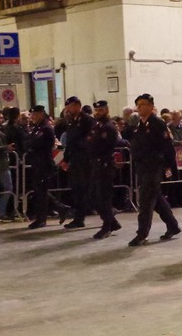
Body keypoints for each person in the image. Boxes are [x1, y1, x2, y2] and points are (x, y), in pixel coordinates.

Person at [124, 93, 181, 246]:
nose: (140, 107)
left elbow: (167, 146)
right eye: (138, 105)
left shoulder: (157, 123)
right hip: (142, 167)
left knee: (146, 201)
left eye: (143, 104)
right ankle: (173, 226)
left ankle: (142, 234)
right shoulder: (140, 124)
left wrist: (168, 167)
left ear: (150, 106)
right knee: (156, 200)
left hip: (153, 166)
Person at [55, 96, 96, 228]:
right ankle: (79, 218)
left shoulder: (87, 120)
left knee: (86, 190)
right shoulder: (72, 121)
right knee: (77, 190)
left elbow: (89, 139)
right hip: (75, 160)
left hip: (85, 160)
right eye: (67, 107)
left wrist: (80, 147)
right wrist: (65, 159)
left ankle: (108, 216)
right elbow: (70, 143)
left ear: (78, 106)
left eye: (71, 107)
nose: (68, 110)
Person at [88, 100, 123, 239]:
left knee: (103, 197)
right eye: (96, 110)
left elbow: (104, 146)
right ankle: (112, 222)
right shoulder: (97, 126)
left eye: (101, 110)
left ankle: (107, 226)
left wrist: (92, 146)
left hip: (105, 164)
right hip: (96, 164)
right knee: (94, 196)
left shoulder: (109, 127)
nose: (97, 113)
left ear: (107, 110)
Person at [23, 106, 56, 229]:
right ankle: (60, 208)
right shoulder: (37, 128)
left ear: (41, 114)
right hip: (37, 163)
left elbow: (37, 143)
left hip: (44, 164)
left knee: (41, 192)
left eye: (35, 114)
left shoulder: (46, 128)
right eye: (32, 115)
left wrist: (30, 145)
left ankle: (41, 219)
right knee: (39, 191)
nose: (32, 117)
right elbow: (28, 141)